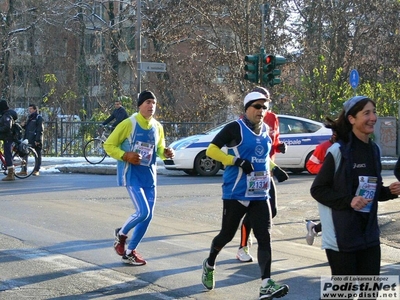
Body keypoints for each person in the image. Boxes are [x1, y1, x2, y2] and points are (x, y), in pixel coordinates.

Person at [201, 91, 289, 300]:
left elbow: (261, 158)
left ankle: (266, 284)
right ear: (247, 108)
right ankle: (210, 262)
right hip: (236, 192)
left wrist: (275, 168)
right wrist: (235, 161)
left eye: (264, 107)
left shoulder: (266, 130)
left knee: (264, 237)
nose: (261, 111)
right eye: (257, 106)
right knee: (227, 235)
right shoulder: (235, 128)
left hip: (260, 193)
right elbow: (211, 151)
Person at [310, 96, 400, 286]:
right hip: (342, 235)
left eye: (374, 112)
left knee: (370, 292)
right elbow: (318, 190)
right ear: (352, 119)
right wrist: (349, 200)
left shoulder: (374, 150)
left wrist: (390, 192)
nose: (373, 117)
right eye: (366, 113)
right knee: (343, 294)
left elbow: (371, 192)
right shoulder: (338, 151)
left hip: (369, 234)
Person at [103, 90, 174, 266]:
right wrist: (125, 155)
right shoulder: (129, 124)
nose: (151, 106)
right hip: (132, 175)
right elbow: (108, 145)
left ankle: (129, 252)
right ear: (140, 105)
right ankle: (122, 234)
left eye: (154, 103)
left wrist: (166, 153)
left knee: (148, 217)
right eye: (148, 102)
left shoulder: (157, 126)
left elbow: (159, 149)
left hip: (149, 177)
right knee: (143, 212)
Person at [236, 86, 289, 263]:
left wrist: (279, 147)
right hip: (250, 174)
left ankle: (254, 238)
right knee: (252, 211)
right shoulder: (245, 121)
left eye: (266, 102)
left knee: (271, 210)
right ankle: (243, 246)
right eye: (259, 103)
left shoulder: (273, 118)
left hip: (267, 171)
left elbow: (273, 142)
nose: (263, 107)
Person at [305, 130, 337, 245]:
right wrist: (327, 169)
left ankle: (314, 228)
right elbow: (310, 165)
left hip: (343, 188)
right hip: (327, 188)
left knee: (337, 217)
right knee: (334, 217)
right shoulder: (324, 147)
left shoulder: (350, 146)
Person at [18, 104, 44, 176]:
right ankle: (24, 170)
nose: (30, 110)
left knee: (37, 154)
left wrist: (38, 140)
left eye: (31, 109)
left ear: (35, 109)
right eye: (29, 109)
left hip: (35, 138)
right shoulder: (30, 118)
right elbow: (28, 129)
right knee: (24, 153)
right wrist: (24, 126)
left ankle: (36, 170)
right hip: (28, 138)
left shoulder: (38, 118)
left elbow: (40, 130)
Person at [0, 100, 18, 181]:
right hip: (4, 136)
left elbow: (7, 127)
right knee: (6, 153)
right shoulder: (3, 114)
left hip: (8, 137)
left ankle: (11, 174)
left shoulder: (7, 115)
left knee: (7, 154)